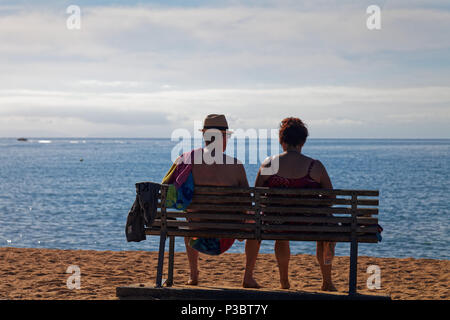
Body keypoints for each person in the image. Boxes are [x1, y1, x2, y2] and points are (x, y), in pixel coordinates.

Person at [245, 117, 337, 291]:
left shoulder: (269, 164)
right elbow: (330, 198)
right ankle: (327, 281)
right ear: (302, 141)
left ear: (282, 141)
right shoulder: (315, 166)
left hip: (276, 224)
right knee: (328, 230)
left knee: (278, 228)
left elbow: (256, 195)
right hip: (309, 224)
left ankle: (283, 281)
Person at [177, 114, 256, 286]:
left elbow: (174, 196)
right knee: (257, 223)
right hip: (227, 234)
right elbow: (247, 204)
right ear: (224, 137)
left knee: (189, 219)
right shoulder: (236, 166)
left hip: (196, 234)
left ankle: (193, 274)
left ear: (205, 136)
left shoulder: (185, 160)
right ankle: (248, 277)